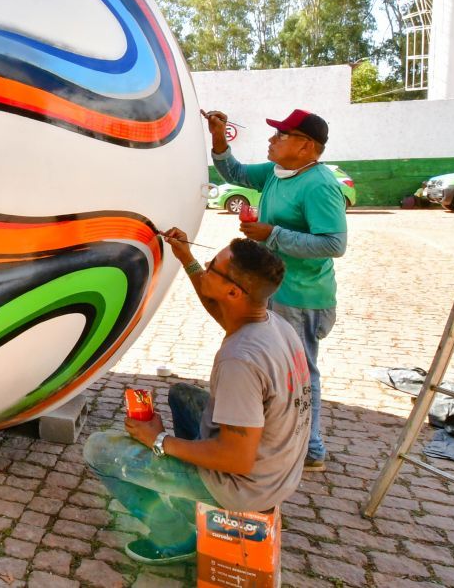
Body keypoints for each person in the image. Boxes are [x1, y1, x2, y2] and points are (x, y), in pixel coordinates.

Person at [83, 235, 311, 566]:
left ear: (234, 292)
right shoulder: (271, 324)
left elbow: (236, 459)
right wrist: (186, 258)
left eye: (212, 268)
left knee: (99, 449)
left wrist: (158, 440)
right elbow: (216, 304)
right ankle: (193, 494)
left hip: (242, 486)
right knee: (182, 396)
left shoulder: (240, 360)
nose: (205, 269)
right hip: (277, 469)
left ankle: (175, 537)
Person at [205, 108, 347, 471]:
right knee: (278, 367)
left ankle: (311, 448)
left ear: (306, 146)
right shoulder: (276, 173)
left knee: (300, 371)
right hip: (276, 289)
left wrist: (274, 235)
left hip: (302, 296)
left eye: (281, 136)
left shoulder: (319, 185)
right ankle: (278, 434)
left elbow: (333, 243)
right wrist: (219, 137)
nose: (272, 140)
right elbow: (234, 172)